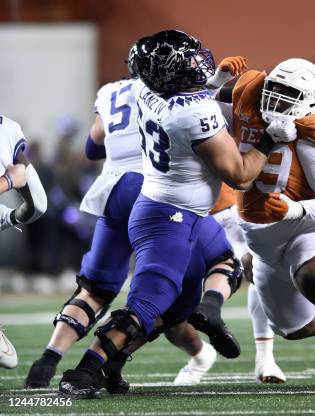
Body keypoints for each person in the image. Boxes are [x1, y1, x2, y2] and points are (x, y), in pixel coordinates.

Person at [57, 29, 290, 399]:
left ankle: (183, 324)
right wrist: (271, 138)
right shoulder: (191, 113)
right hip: (168, 218)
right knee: (148, 303)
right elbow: (242, 175)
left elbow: (187, 102)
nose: (196, 61)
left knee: (217, 274)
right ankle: (84, 371)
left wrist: (215, 83)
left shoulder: (147, 92)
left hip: (180, 212)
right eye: (186, 59)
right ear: (165, 73)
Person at [25, 44, 246, 390]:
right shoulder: (170, 100)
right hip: (158, 194)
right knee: (206, 272)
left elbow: (92, 148)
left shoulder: (115, 91)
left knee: (95, 290)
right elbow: (197, 117)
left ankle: (47, 361)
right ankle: (100, 363)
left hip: (112, 190)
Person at [190, 58, 315, 394]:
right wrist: (214, 82)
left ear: (309, 102)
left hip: (305, 229)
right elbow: (194, 116)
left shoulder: (313, 134)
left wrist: (296, 209)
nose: (277, 99)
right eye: (274, 88)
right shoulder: (245, 106)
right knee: (294, 328)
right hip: (261, 241)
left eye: (289, 93)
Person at [0, 113, 48, 370]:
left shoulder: (8, 130)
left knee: (9, 358)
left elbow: (38, 204)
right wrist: (9, 181)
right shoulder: (7, 129)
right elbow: (38, 205)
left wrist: (8, 218)